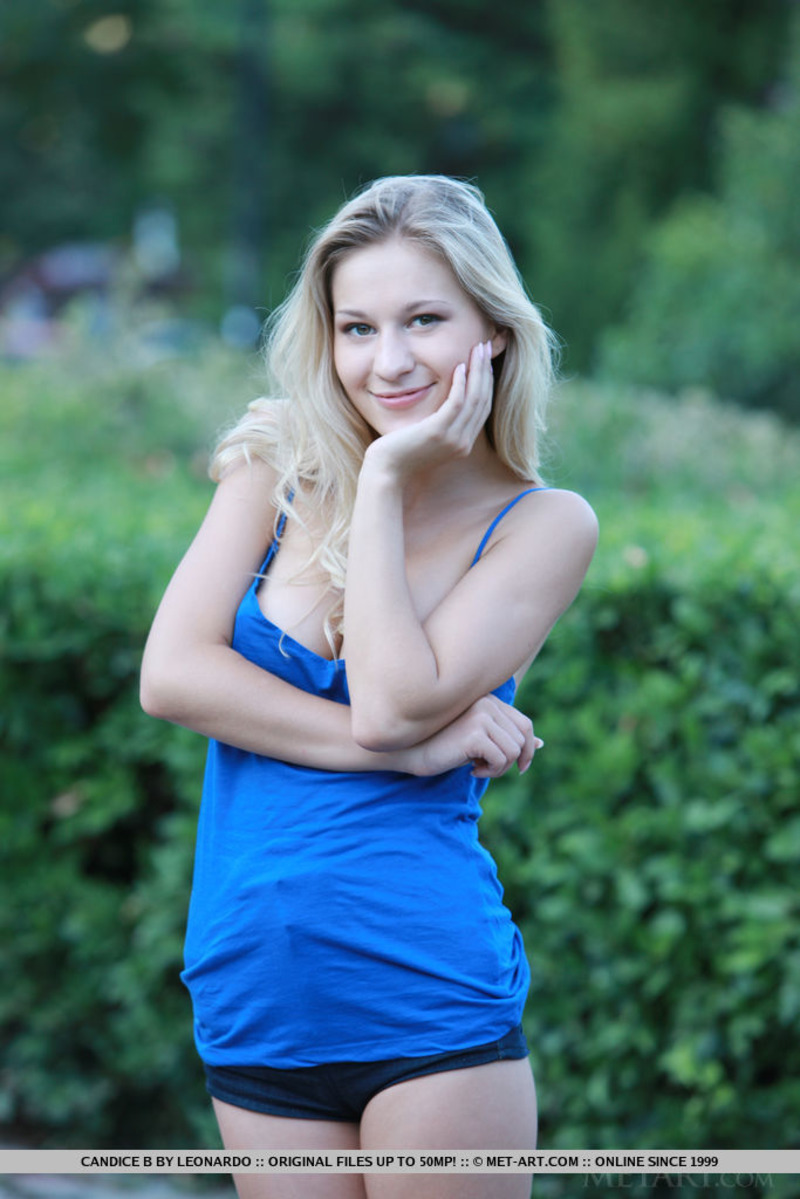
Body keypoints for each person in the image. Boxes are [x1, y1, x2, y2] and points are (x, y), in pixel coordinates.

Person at [140, 174, 597, 1199]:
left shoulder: (541, 523)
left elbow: (390, 702)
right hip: (254, 984)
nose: (386, 360)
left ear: (493, 330)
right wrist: (420, 747)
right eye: (357, 327)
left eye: (423, 320)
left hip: (423, 989)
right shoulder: (276, 467)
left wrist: (385, 480)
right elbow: (171, 675)